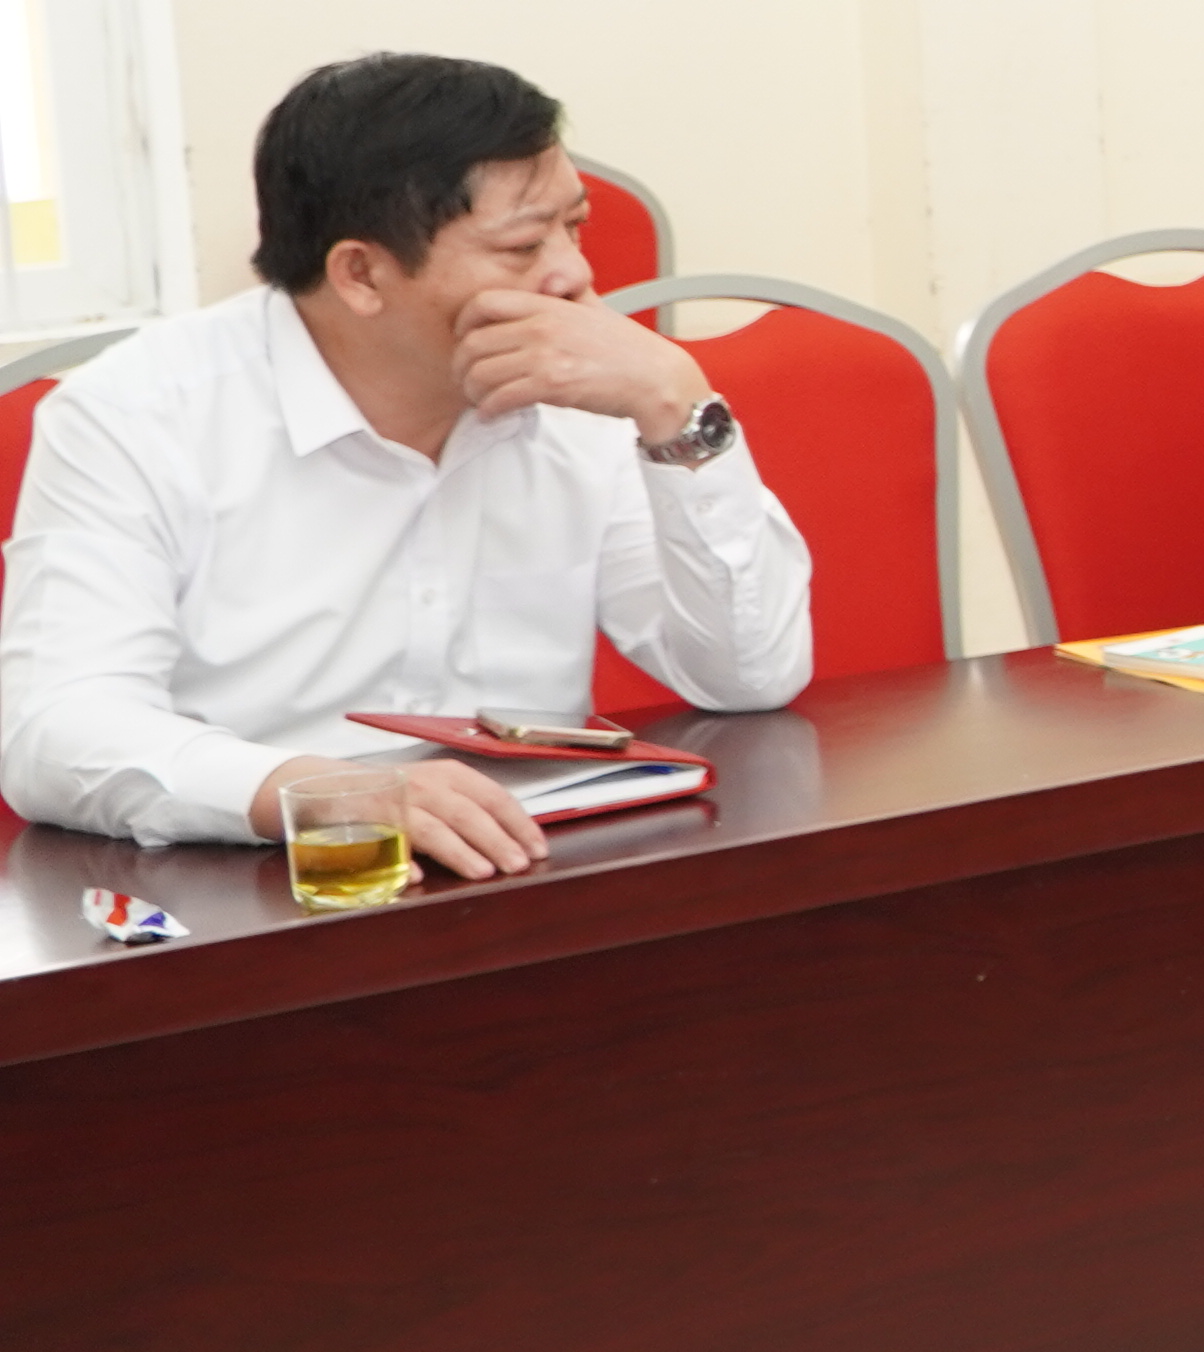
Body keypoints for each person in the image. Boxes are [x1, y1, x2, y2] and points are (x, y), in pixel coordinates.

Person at [0, 52, 813, 879]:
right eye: (524, 244)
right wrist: (314, 792)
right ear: (360, 274)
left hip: (533, 871)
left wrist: (678, 411)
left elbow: (749, 677)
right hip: (254, 886)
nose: (574, 274)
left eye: (575, 227)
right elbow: (55, 728)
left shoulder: (585, 391)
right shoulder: (136, 414)